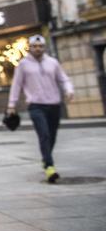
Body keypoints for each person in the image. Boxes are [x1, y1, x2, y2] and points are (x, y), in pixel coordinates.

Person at [7, 34, 74, 183]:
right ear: (29, 48)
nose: (38, 49)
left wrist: (69, 90)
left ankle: (45, 158)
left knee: (52, 135)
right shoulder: (23, 64)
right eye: (35, 46)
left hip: (54, 105)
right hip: (35, 106)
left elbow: (63, 79)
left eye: (40, 46)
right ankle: (50, 167)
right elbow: (16, 85)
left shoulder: (53, 62)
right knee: (44, 134)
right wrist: (12, 105)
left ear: (44, 47)